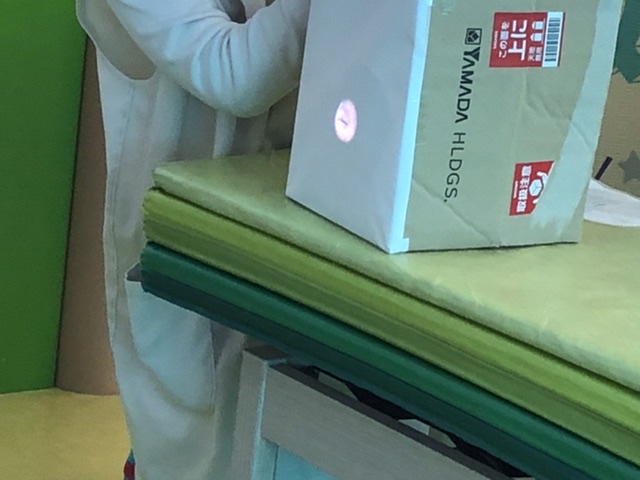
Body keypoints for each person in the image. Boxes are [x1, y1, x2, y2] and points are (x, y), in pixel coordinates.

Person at [76, 0, 312, 478]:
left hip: (303, 230)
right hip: (189, 247)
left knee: (295, 433)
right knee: (202, 448)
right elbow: (235, 74)